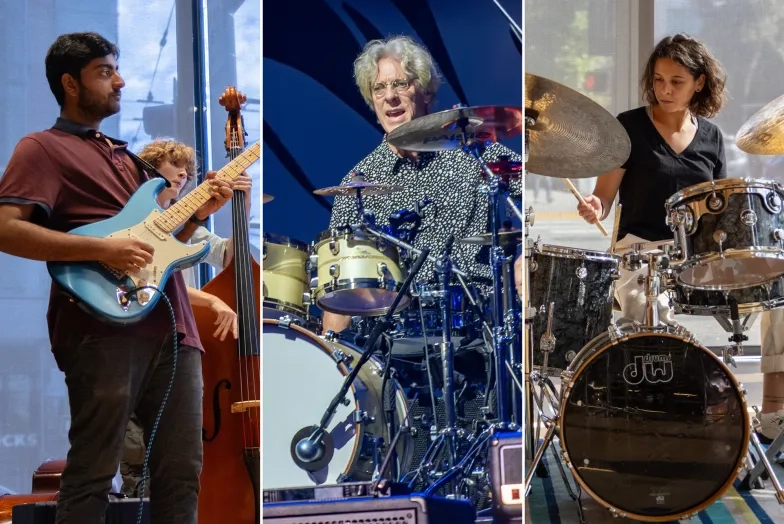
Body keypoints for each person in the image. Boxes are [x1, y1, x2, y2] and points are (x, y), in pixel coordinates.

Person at [0, 32, 237, 523]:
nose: (120, 81)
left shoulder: (128, 158)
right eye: (105, 71)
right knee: (94, 470)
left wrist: (198, 216)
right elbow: (6, 230)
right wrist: (102, 248)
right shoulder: (41, 148)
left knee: (181, 474)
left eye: (117, 70)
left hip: (173, 330)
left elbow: (158, 245)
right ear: (70, 83)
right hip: (101, 325)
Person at [577, 33, 784, 443]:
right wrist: (594, 207)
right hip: (640, 252)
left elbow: (721, 212)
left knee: (778, 291)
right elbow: (603, 197)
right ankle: (662, 414)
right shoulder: (629, 127)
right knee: (649, 314)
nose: (665, 90)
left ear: (699, 83)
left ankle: (774, 412)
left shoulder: (710, 137)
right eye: (658, 80)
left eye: (676, 81)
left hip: (695, 256)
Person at [324, 35, 524, 335]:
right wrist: (334, 356)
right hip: (395, 342)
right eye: (379, 88)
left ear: (426, 91)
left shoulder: (472, 151)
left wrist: (526, 256)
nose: (390, 96)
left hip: (477, 326)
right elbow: (340, 289)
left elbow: (540, 193)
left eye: (401, 84)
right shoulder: (357, 185)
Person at [119, 139, 253, 498]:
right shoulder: (133, 222)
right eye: (173, 164)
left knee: (178, 462)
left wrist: (244, 205)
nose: (183, 174)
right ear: (149, 171)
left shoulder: (188, 223)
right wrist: (210, 300)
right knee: (137, 456)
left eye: (187, 170)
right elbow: (147, 280)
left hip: (178, 344)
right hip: (136, 336)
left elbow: (230, 258)